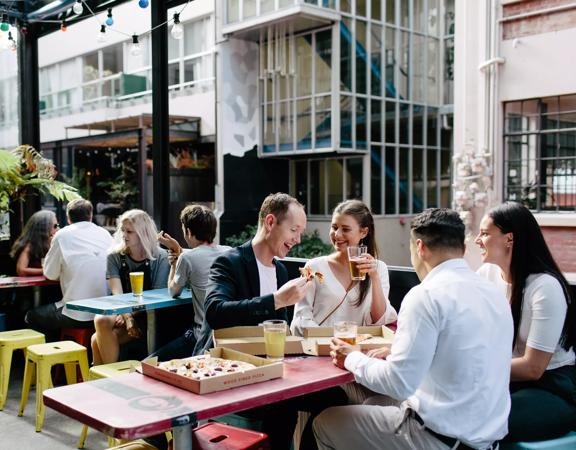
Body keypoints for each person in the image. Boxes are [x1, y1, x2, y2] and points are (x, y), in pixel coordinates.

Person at [314, 208, 513, 450]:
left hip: (436, 440)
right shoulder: (494, 292)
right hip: (486, 440)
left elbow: (399, 383)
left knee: (324, 422)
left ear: (419, 247)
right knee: (376, 401)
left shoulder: (425, 295)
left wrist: (350, 358)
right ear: (462, 249)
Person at [195, 193, 346, 450]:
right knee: (283, 407)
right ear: (270, 222)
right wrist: (275, 300)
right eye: (294, 230)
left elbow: (281, 331)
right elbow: (215, 312)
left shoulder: (281, 270)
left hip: (272, 372)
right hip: (232, 370)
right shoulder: (229, 262)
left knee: (336, 399)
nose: (298, 240)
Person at [475, 202, 576, 442]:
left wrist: (475, 369)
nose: (477, 239)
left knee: (481, 418)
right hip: (506, 378)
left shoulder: (544, 288)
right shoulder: (485, 275)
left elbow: (533, 367)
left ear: (509, 239)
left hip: (552, 386)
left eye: (485, 233)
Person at [291, 199, 397, 337]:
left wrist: (374, 278)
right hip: (318, 347)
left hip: (357, 350)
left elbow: (379, 320)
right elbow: (301, 318)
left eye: (345, 229)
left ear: (363, 232)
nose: (337, 234)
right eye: (334, 227)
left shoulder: (379, 268)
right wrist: (333, 339)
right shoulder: (312, 266)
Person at [151, 205, 230, 360]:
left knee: (151, 362)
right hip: (227, 336)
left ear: (187, 231)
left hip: (201, 336)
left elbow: (173, 291)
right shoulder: (229, 251)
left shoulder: (187, 258)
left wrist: (174, 264)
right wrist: (178, 252)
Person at [91, 209, 169, 365]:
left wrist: (130, 316)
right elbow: (117, 293)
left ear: (142, 233)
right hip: (123, 308)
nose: (124, 235)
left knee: (95, 339)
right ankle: (112, 379)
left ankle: (104, 381)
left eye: (130, 232)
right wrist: (127, 316)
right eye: (122, 230)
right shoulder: (114, 256)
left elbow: (157, 297)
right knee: (101, 320)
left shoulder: (160, 257)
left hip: (148, 314)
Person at [25, 199, 113, 336]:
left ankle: (51, 354)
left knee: (32, 316)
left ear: (68, 218)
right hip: (106, 313)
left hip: (77, 315)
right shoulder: (105, 234)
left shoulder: (62, 235)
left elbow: (50, 274)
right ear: (90, 216)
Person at [10, 210, 59, 276]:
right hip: (33, 285)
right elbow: (21, 270)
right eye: (55, 226)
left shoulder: (50, 241)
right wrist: (46, 271)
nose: (58, 229)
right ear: (44, 227)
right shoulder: (29, 246)